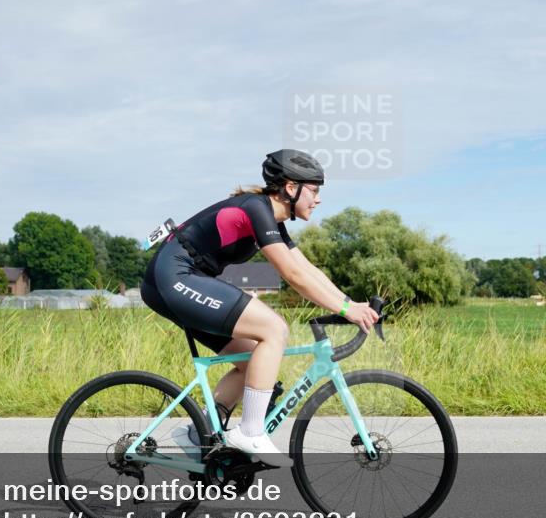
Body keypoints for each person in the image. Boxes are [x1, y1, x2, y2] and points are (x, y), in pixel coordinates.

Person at [140, 149, 379, 467]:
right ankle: (250, 431)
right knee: (274, 328)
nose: (319, 199)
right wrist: (346, 311)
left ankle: (199, 434)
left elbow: (307, 270)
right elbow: (292, 276)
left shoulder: (272, 221)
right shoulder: (256, 208)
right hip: (173, 277)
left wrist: (349, 304)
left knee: (253, 356)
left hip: (181, 281)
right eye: (315, 190)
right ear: (291, 188)